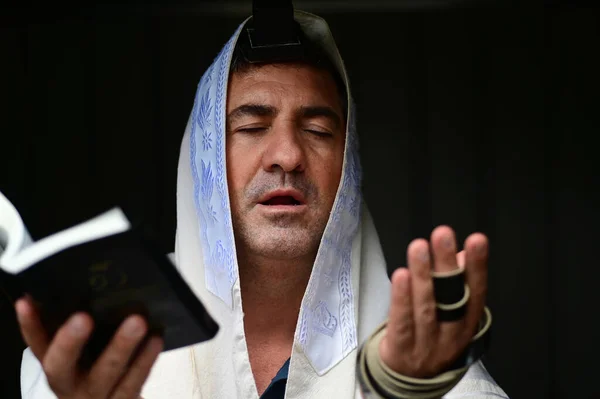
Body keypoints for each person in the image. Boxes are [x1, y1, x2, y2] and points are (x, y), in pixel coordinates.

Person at [16, 9, 509, 399]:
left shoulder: (418, 348)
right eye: (252, 128)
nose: (289, 156)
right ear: (204, 161)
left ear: (349, 168)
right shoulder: (102, 341)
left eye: (318, 131)